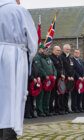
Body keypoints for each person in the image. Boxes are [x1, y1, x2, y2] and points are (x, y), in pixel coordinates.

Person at [0, 0, 37, 138]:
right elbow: (32, 40)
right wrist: (29, 58)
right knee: (13, 97)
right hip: (14, 57)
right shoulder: (19, 10)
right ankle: (9, 133)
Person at [37, 48, 57, 117]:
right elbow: (40, 68)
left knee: (47, 96)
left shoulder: (49, 59)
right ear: (43, 51)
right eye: (46, 51)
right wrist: (45, 75)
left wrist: (55, 75)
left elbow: (53, 68)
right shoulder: (40, 58)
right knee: (41, 96)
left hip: (50, 81)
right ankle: (40, 111)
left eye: (48, 51)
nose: (47, 52)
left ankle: (46, 110)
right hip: (43, 80)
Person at [49, 46, 65, 115]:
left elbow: (62, 68)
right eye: (57, 50)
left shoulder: (60, 58)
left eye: (59, 50)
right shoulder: (51, 58)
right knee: (52, 95)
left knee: (58, 95)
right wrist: (60, 74)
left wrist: (63, 74)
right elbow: (54, 68)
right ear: (53, 50)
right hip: (54, 79)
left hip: (60, 79)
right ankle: (51, 109)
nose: (58, 51)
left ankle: (57, 109)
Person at [61, 44, 75, 113]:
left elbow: (72, 68)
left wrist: (72, 76)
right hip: (64, 78)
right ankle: (63, 108)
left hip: (70, 79)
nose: (68, 50)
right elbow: (63, 68)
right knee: (63, 94)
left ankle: (66, 108)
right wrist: (67, 76)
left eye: (69, 49)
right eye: (67, 49)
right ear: (63, 49)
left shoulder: (70, 58)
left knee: (67, 94)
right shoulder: (61, 57)